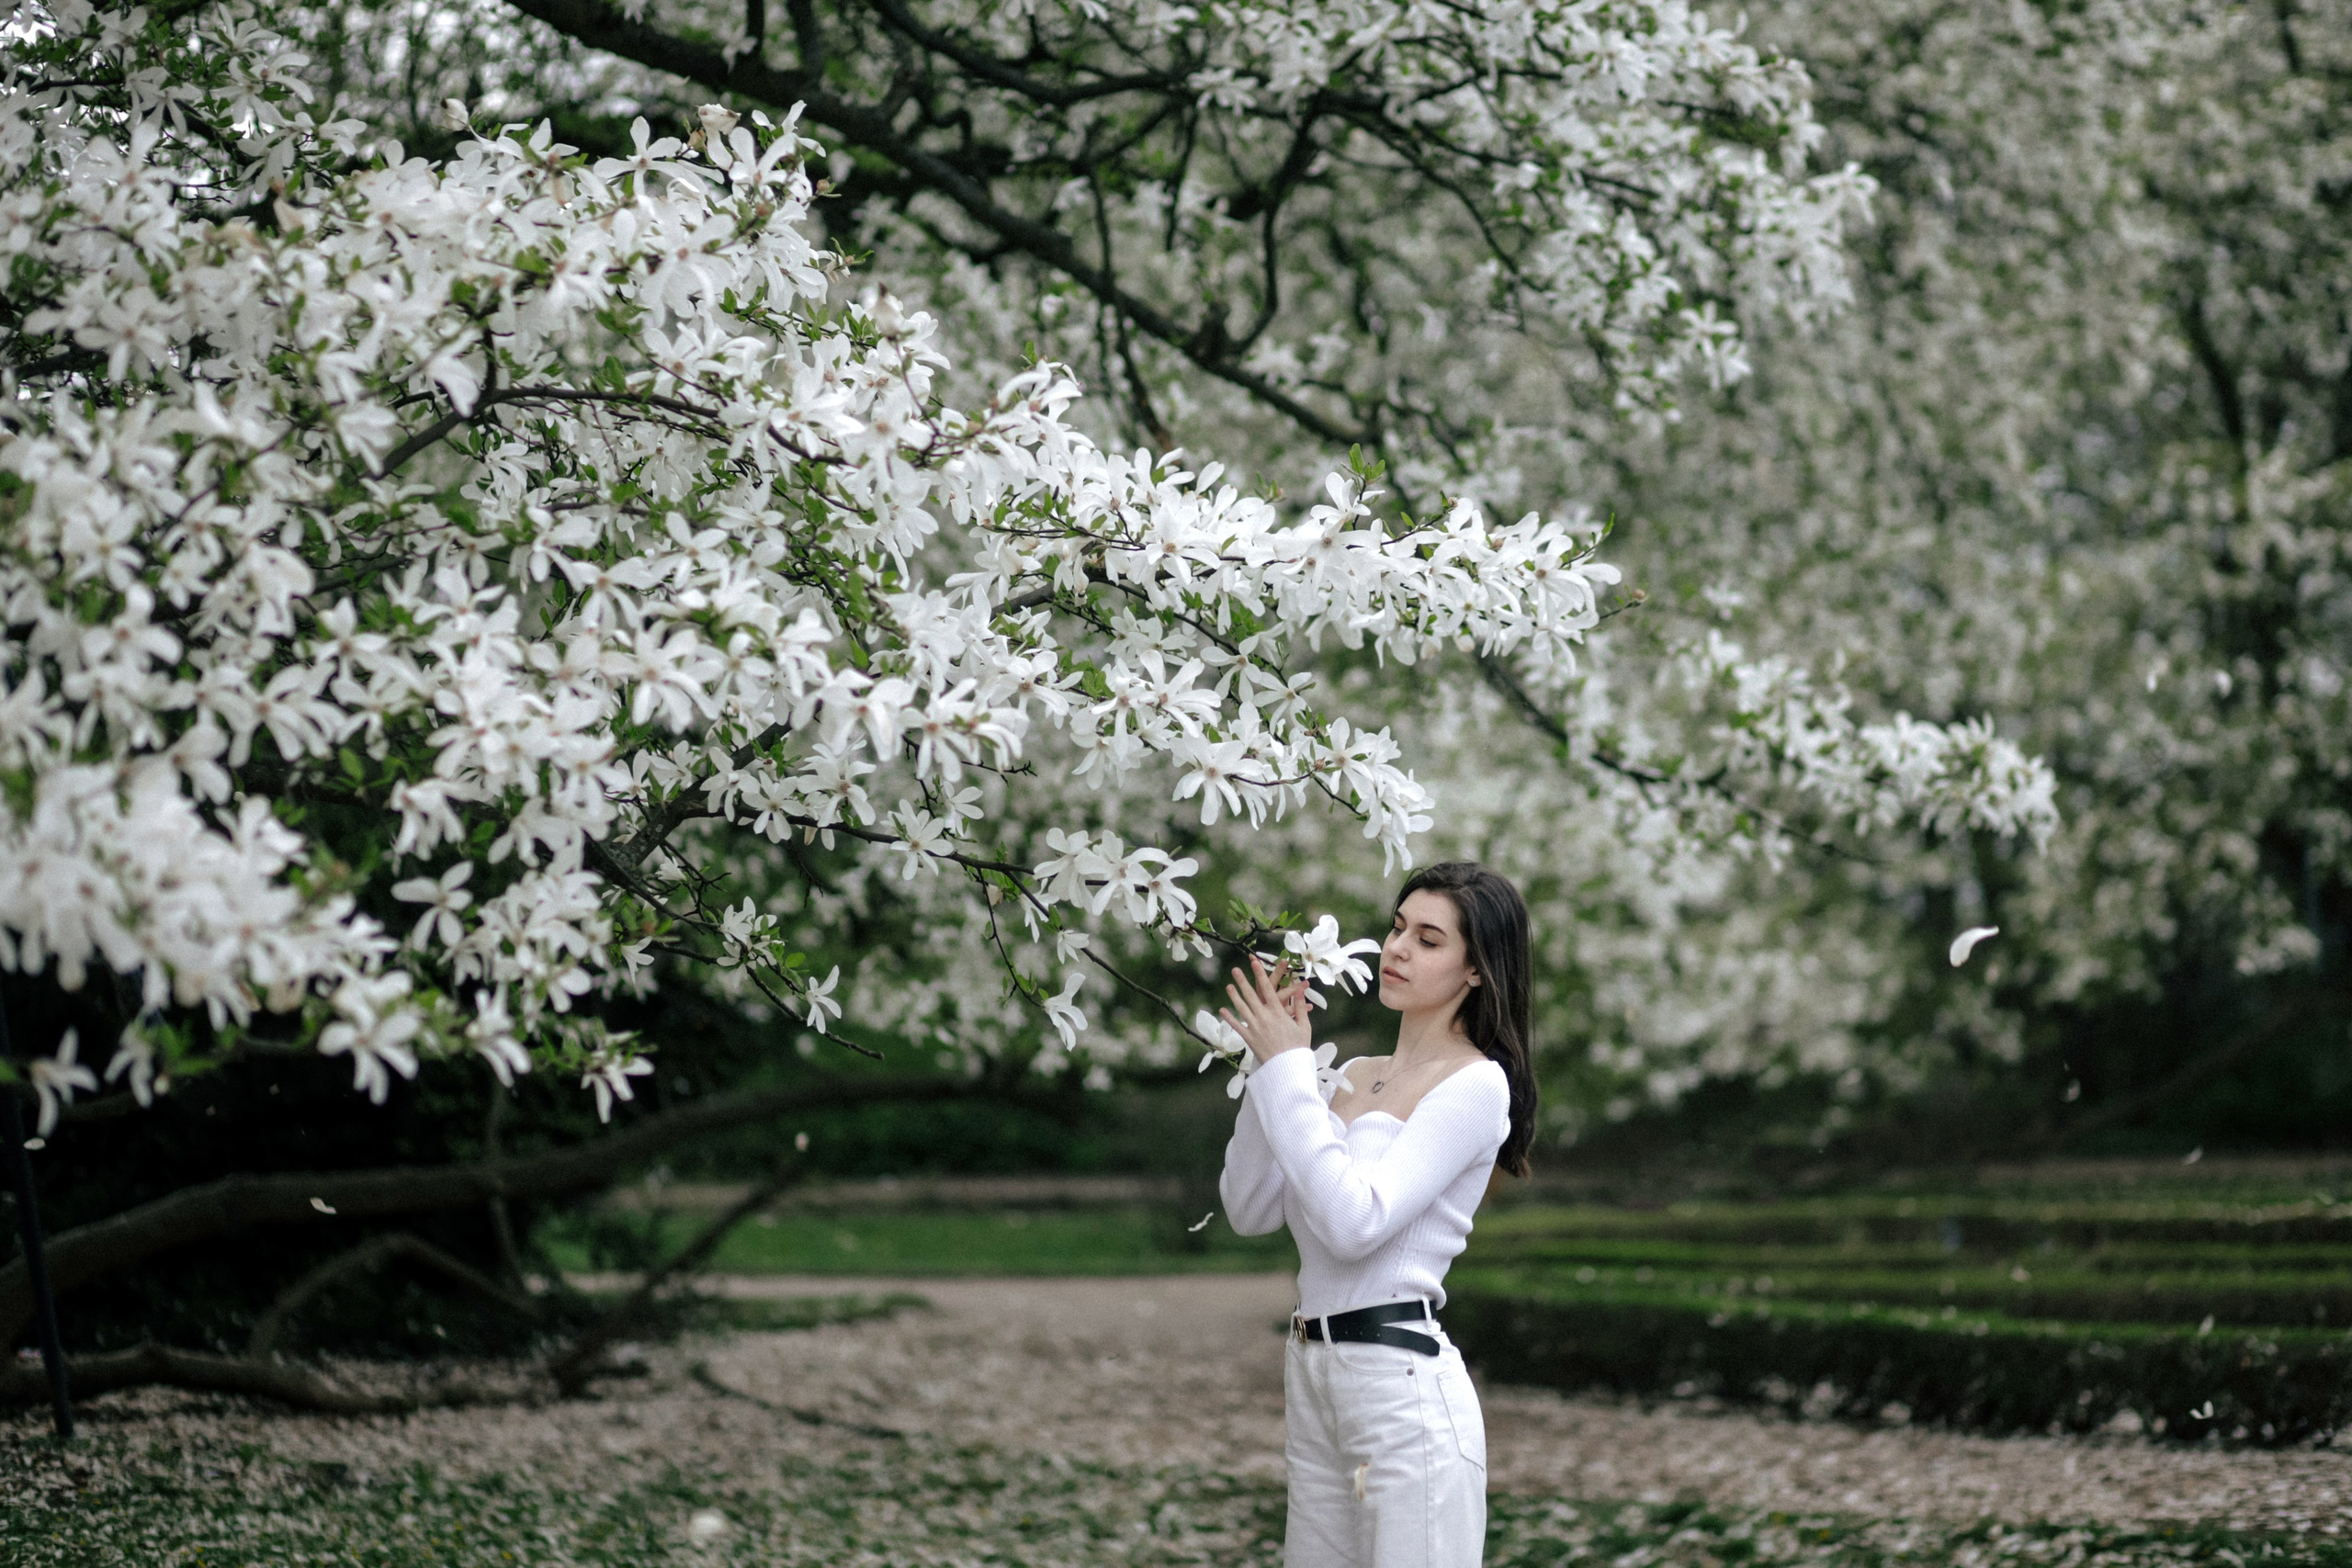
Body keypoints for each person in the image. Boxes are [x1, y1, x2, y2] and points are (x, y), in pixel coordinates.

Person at [1216, 861, 1537, 1568]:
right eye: (1397, 928)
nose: (1395, 948)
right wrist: (1266, 1072)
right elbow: (1248, 1207)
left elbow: (1356, 1222)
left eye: (1428, 940)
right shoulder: (1349, 1074)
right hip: (1316, 1379)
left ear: (1476, 969)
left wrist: (1291, 1076)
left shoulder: (1476, 1084)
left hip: (1402, 1393)